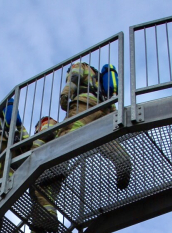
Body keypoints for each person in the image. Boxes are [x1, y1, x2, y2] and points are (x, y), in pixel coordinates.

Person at [56, 62, 132, 190]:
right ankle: (123, 160)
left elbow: (74, 79)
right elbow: (111, 103)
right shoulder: (101, 80)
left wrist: (65, 96)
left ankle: (57, 169)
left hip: (85, 106)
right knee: (107, 142)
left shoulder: (81, 66)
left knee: (68, 134)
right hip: (103, 111)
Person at [27, 117, 61, 233]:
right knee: (36, 204)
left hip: (48, 166)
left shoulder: (47, 123)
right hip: (45, 167)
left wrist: (33, 153)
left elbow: (44, 137)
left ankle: (50, 218)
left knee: (43, 196)